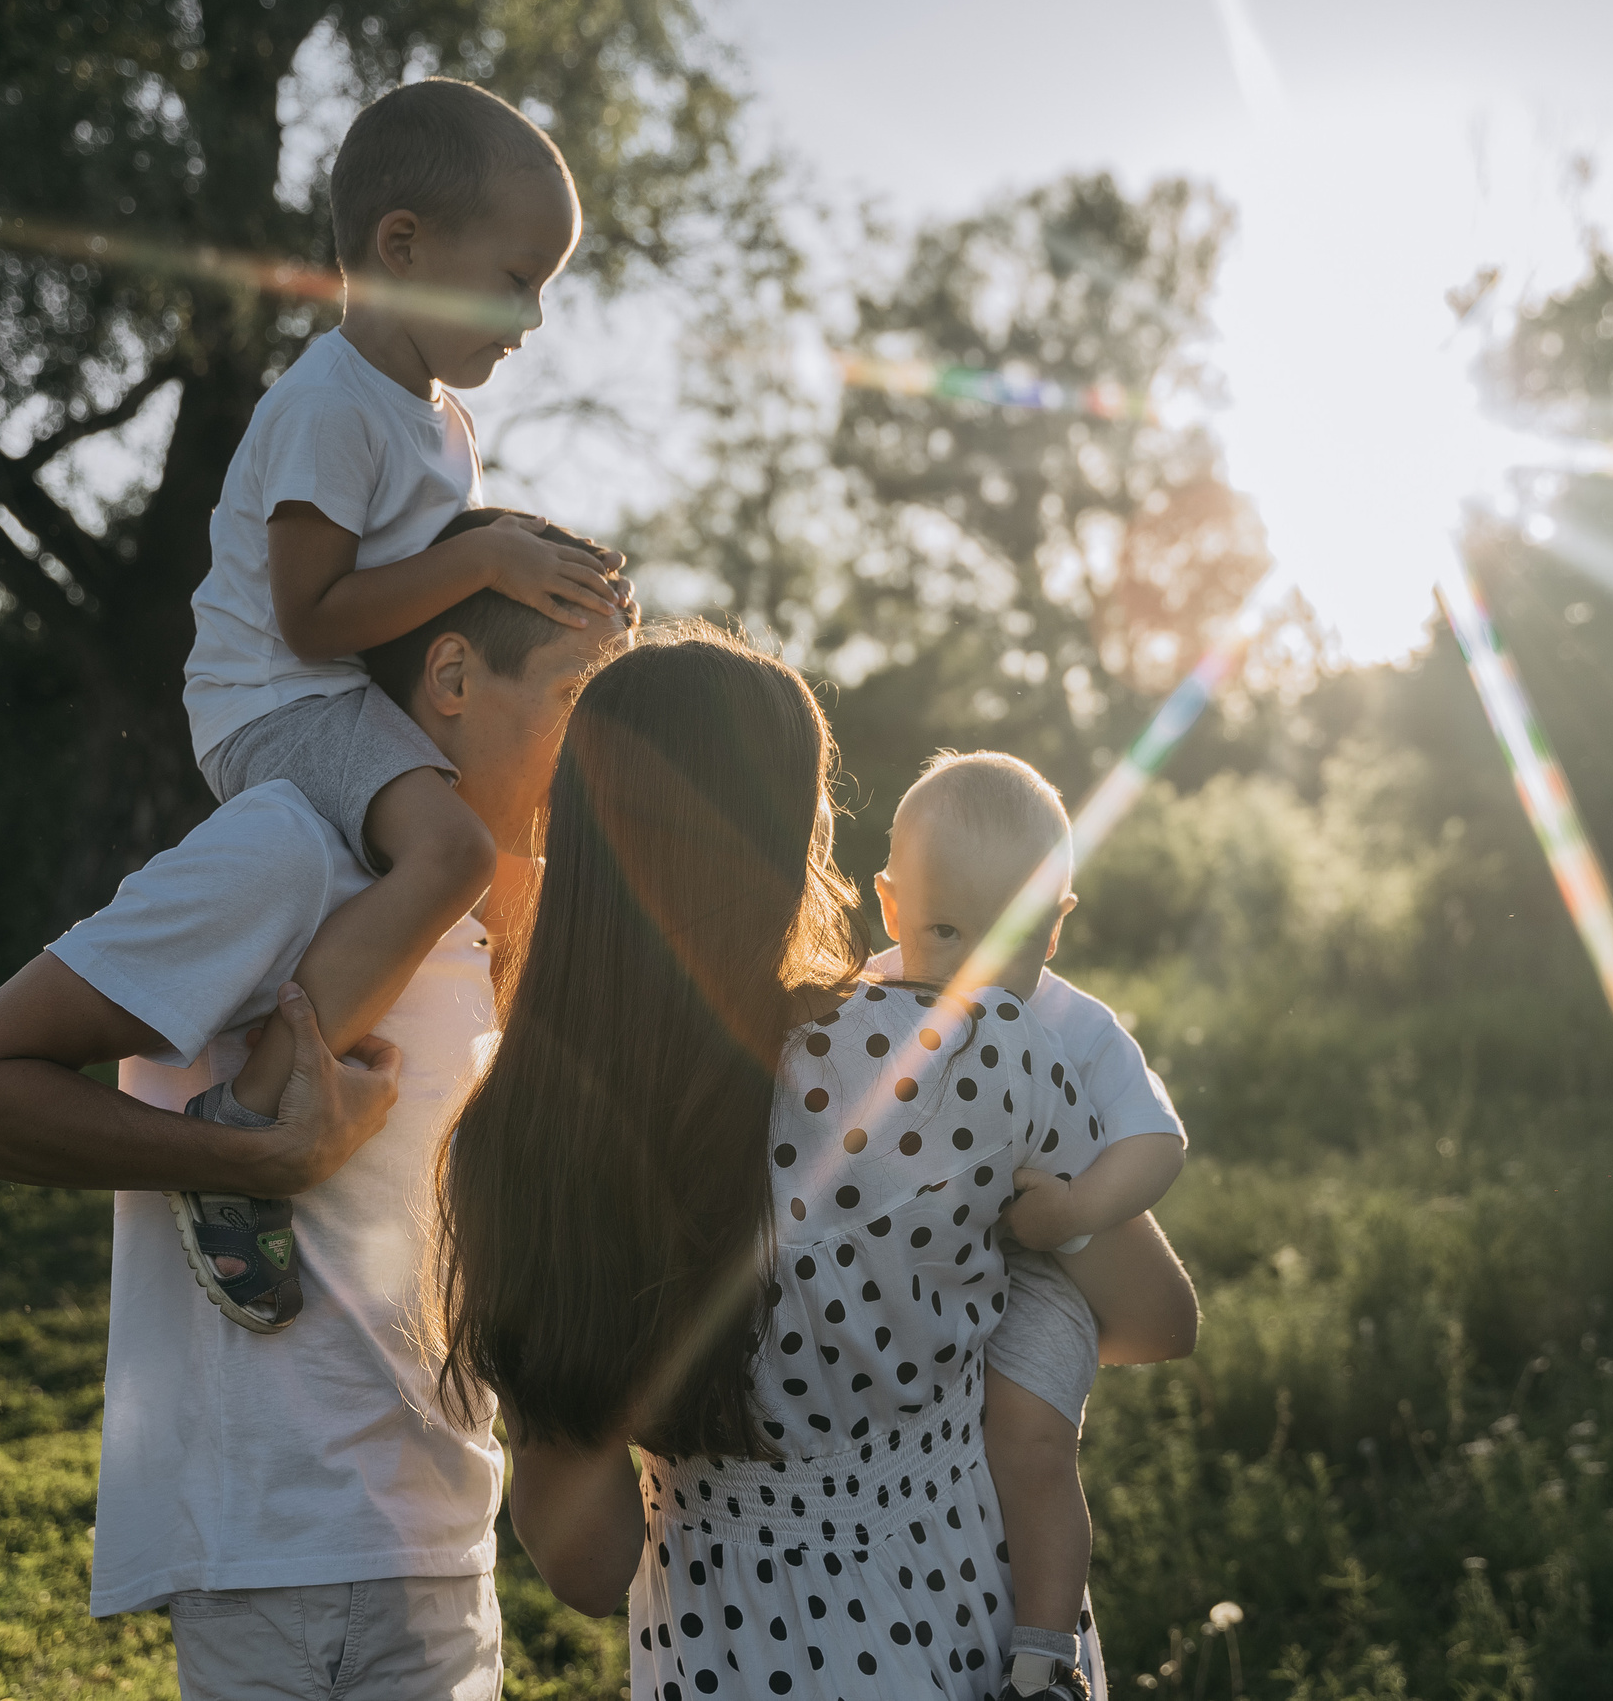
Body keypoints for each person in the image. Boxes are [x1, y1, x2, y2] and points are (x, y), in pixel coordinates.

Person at [0, 586, 633, 1701]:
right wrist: (251, 1162)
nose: (597, 751)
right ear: (454, 678)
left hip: (440, 1542)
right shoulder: (285, 850)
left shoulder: (491, 911)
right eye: (576, 696)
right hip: (287, 1557)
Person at [436, 628, 1198, 1701]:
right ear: (794, 833)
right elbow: (1158, 1319)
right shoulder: (954, 1052)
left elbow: (591, 1566)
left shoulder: (508, 1142)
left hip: (728, 1653)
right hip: (970, 1622)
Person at [175, 76, 631, 1329]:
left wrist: (551, 588)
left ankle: (522, 1100)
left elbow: (429, 601)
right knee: (450, 851)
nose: (533, 317)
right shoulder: (326, 406)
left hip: (348, 693)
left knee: (519, 842)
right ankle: (247, 1117)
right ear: (402, 247)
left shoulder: (445, 425)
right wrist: (487, 563)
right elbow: (313, 616)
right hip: (273, 696)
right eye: (517, 277)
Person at [869, 751, 1190, 1701]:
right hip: (936, 1260)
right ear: (891, 909)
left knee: (1025, 1436)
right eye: (943, 930)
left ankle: (1044, 1658)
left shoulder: (1076, 1026)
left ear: (1056, 926)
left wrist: (1078, 1209)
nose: (972, 970)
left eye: (1005, 940)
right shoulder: (870, 996)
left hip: (1045, 1268)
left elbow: (1156, 1142)